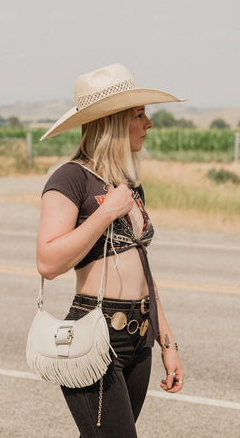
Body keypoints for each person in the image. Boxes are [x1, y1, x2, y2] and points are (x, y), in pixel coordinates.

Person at [36, 63, 185, 437]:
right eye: (139, 114)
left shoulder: (129, 184)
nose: (148, 123)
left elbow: (143, 269)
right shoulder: (70, 178)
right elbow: (48, 262)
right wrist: (106, 213)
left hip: (140, 335)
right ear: (113, 121)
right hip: (95, 332)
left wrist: (167, 341)